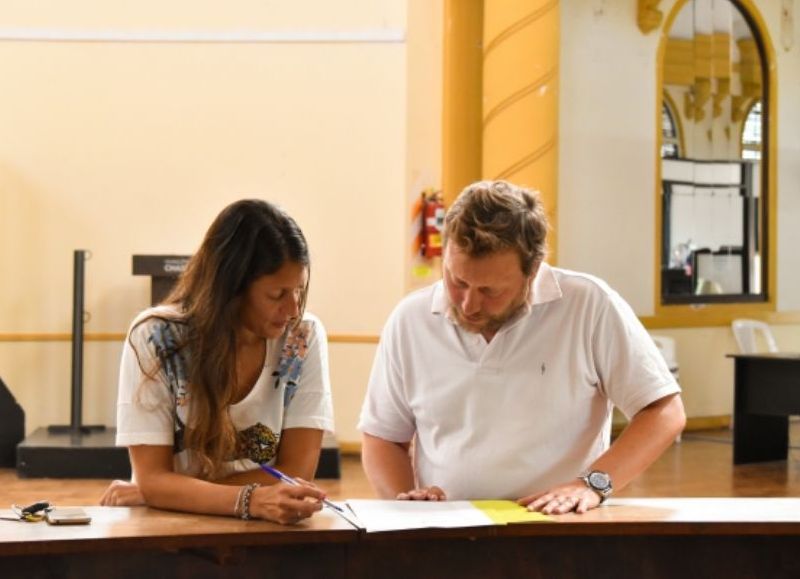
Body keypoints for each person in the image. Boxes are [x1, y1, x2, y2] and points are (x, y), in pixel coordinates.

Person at [358, 180, 685, 514]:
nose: (469, 304)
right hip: (448, 533)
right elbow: (383, 437)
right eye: (457, 281)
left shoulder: (589, 305)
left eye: (490, 290)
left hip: (560, 525)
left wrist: (592, 484)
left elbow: (663, 412)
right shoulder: (409, 319)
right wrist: (408, 503)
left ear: (533, 271)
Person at [100, 199, 335, 524]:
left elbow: (294, 474)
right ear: (231, 288)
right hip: (173, 529)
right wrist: (248, 499)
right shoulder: (155, 337)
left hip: (256, 528)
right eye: (277, 295)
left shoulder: (303, 337)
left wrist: (172, 493)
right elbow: (153, 479)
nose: (293, 309)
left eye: (299, 291)